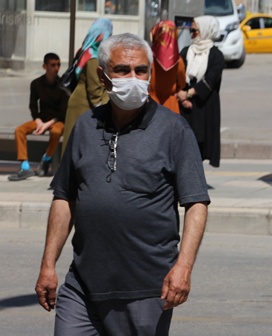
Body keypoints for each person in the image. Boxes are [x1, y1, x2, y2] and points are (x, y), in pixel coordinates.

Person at [34, 33, 210, 335]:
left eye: (141, 70)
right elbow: (64, 197)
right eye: (122, 70)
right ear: (103, 77)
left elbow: (196, 203)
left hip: (145, 288)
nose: (133, 78)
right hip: (83, 286)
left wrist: (184, 267)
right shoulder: (85, 127)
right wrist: (48, 265)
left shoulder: (174, 130)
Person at [9, 53, 68, 181]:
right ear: (44, 66)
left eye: (58, 65)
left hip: (57, 120)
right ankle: (25, 167)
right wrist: (39, 121)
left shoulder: (63, 85)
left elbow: (62, 112)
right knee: (20, 130)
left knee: (56, 131)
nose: (56, 68)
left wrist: (46, 125)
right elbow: (33, 106)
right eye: (53, 65)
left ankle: (46, 159)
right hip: (41, 119)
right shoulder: (36, 84)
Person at [177, 16, 224, 167]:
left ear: (205, 31)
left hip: (205, 107)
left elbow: (211, 79)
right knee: (184, 144)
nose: (191, 34)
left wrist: (189, 94)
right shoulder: (186, 51)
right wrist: (182, 97)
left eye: (195, 31)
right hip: (185, 106)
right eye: (190, 30)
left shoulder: (216, 55)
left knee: (200, 145)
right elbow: (178, 75)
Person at [61, 18, 112, 155]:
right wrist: (103, 110)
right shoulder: (94, 57)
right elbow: (94, 90)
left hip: (79, 102)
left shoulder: (86, 50)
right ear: (101, 34)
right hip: (84, 105)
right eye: (109, 33)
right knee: (77, 147)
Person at [149, 20, 186, 114]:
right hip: (171, 105)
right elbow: (182, 83)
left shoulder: (148, 57)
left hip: (151, 103)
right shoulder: (178, 61)